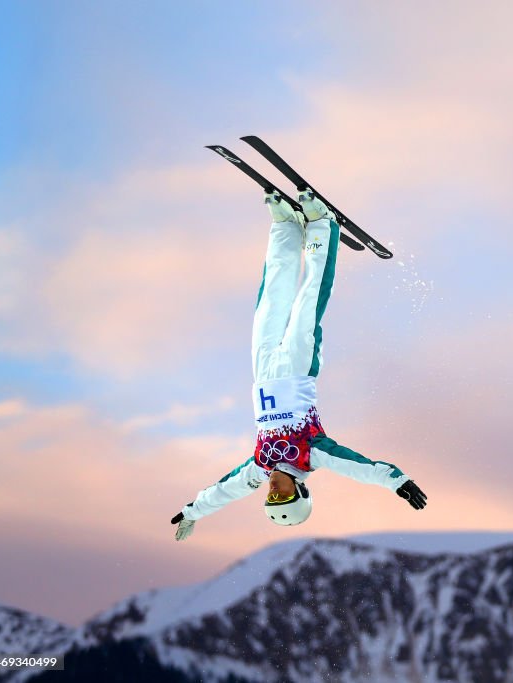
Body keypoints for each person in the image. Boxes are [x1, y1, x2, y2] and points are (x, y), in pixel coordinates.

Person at [170, 189, 426, 541]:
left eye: (270, 498)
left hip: (262, 371)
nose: (273, 489)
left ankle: (285, 228)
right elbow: (360, 468)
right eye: (283, 496)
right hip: (297, 368)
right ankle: (322, 225)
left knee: (271, 300)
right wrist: (398, 481)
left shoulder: (260, 467)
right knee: (308, 301)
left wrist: (192, 511)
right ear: (300, 491)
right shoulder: (313, 455)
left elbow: (225, 490)